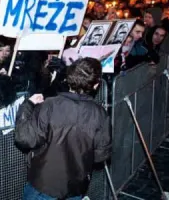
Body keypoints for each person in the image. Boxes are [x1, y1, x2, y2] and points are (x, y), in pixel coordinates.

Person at [15, 58, 111, 200]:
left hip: (43, 184)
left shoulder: (50, 105)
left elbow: (25, 138)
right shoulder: (100, 113)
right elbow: (100, 155)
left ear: (68, 79)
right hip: (75, 186)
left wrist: (27, 106)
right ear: (96, 84)